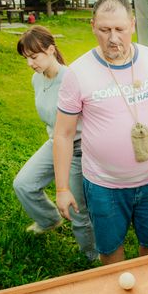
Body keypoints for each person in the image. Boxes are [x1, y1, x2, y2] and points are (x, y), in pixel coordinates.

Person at [53, 0, 148, 265]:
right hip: (104, 186)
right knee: (111, 256)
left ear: (132, 24)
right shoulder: (77, 73)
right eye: (105, 29)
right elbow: (63, 134)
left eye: (120, 29)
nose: (113, 38)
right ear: (93, 26)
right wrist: (62, 188)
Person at [14, 25, 98, 261]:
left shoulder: (72, 79)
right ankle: (49, 219)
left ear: (51, 50)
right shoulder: (36, 79)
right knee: (23, 184)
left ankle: (91, 256)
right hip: (55, 143)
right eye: (26, 58)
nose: (30, 63)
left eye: (34, 57)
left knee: (77, 208)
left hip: (79, 147)